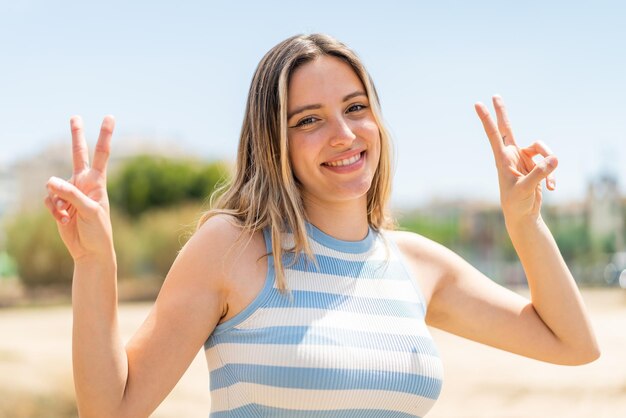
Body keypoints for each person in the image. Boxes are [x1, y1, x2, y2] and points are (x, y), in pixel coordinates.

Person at [44, 33, 599, 418]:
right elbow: (111, 408)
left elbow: (573, 344)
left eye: (356, 108)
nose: (343, 133)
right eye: (308, 119)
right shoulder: (232, 248)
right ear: (273, 141)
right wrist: (96, 262)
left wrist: (525, 224)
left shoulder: (417, 265)